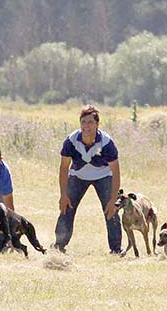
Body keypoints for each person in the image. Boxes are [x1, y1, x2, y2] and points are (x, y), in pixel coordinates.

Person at [52, 105, 122, 254]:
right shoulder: (71, 141)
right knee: (67, 207)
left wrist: (113, 199)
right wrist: (63, 195)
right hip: (78, 176)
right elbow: (64, 168)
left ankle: (116, 249)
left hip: (103, 175)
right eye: (83, 122)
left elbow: (116, 172)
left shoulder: (106, 143)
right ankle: (59, 245)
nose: (86, 126)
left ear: (97, 124)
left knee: (111, 209)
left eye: (90, 122)